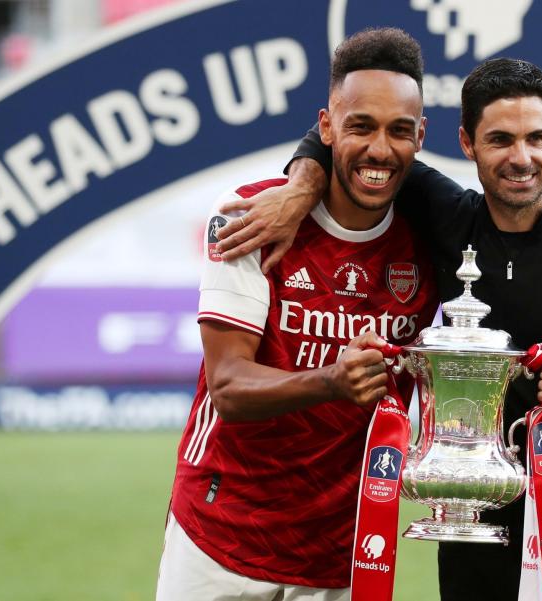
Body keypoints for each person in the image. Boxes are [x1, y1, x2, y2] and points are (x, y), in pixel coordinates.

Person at [219, 57, 542, 600]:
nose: (522, 158)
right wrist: (300, 191)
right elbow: (338, 137)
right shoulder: (446, 216)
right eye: (500, 140)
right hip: (470, 533)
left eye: (537, 138)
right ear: (466, 143)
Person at [155, 28, 440, 600]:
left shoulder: (436, 238)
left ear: (420, 136)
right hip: (221, 534)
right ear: (327, 127)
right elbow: (229, 386)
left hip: (344, 549)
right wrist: (333, 380)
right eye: (360, 125)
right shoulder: (251, 214)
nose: (380, 149)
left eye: (399, 130)